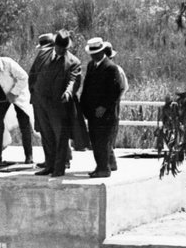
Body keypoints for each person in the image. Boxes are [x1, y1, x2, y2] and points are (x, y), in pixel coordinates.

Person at [29, 30, 79, 176]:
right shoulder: (43, 54)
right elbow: (32, 74)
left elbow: (73, 80)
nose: (60, 50)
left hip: (58, 105)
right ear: (54, 44)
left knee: (60, 137)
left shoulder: (73, 62)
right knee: (46, 135)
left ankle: (59, 168)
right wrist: (34, 92)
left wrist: (69, 92)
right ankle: (49, 165)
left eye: (64, 48)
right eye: (58, 47)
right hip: (40, 102)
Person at [77, 36, 128, 177]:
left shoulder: (111, 68)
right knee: (95, 139)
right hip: (92, 111)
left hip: (106, 113)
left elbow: (116, 90)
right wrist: (83, 105)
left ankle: (104, 169)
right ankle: (101, 166)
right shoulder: (91, 65)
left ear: (102, 52)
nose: (93, 55)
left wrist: (104, 107)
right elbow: (87, 86)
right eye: (91, 53)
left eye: (95, 52)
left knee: (103, 141)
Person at [0, 43, 34, 168]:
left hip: (18, 94)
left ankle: (29, 156)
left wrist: (14, 93)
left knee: (24, 123)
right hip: (0, 97)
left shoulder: (9, 64)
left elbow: (24, 77)